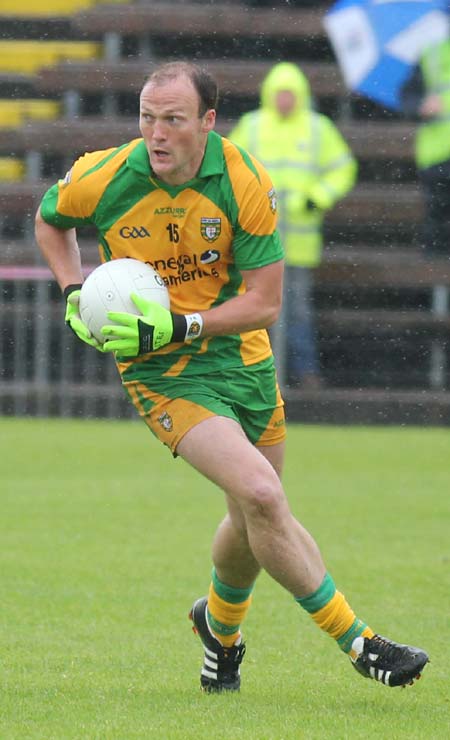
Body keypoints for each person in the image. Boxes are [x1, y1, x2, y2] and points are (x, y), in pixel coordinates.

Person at [35, 60, 428, 693]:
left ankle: (218, 629)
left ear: (207, 122)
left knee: (251, 514)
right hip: (161, 373)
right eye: (146, 118)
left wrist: (182, 325)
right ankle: (361, 642)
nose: (156, 134)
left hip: (242, 360)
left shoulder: (243, 178)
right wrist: (75, 289)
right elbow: (51, 220)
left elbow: (265, 304)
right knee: (264, 497)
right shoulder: (104, 174)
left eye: (173, 120)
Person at [228, 62, 357, 389]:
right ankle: (254, 374)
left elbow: (342, 169)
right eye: (279, 94)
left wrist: (316, 198)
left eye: (290, 94)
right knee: (252, 309)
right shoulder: (253, 125)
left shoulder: (318, 128)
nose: (285, 100)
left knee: (295, 311)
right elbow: (230, 169)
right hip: (256, 241)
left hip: (297, 244)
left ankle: (303, 373)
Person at [401, 37, 450, 257]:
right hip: (437, 152)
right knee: (437, 215)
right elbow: (407, 96)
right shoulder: (430, 52)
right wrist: (421, 105)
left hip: (436, 151)